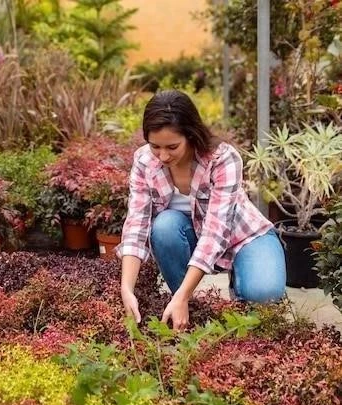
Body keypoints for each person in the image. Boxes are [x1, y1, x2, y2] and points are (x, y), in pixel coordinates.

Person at [117, 90, 286, 331]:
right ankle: (186, 306)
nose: (162, 156)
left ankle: (239, 285)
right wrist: (127, 288)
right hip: (188, 234)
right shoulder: (145, 161)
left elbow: (215, 233)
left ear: (191, 135)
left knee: (263, 293)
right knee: (163, 226)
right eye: (155, 146)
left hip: (244, 237)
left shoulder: (222, 159)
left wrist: (182, 295)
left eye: (172, 146)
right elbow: (137, 223)